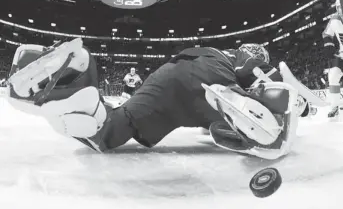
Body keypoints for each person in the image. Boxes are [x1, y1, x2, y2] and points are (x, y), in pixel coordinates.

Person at [7, 39, 317, 160]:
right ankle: (244, 109)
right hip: (212, 76)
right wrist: (298, 106)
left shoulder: (215, 50)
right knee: (246, 99)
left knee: (111, 132)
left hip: (168, 77)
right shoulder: (248, 56)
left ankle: (70, 88)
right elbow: (262, 73)